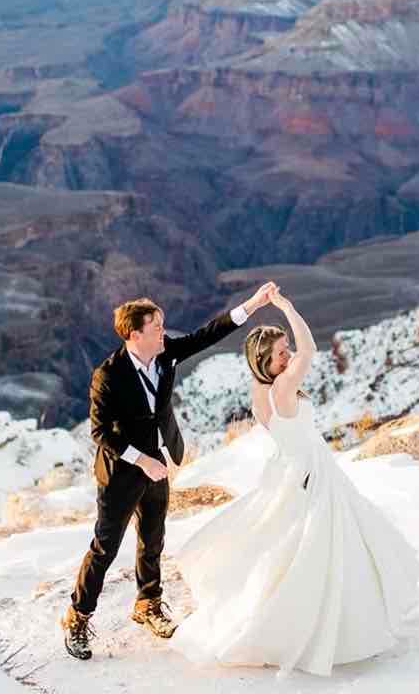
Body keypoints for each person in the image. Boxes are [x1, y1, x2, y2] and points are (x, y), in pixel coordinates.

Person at [171, 288, 419, 676]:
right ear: (265, 363)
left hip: (293, 469)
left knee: (295, 549)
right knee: (322, 549)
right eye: (280, 353)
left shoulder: (260, 392)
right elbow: (309, 351)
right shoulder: (283, 388)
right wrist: (287, 308)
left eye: (285, 349)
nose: (288, 354)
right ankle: (327, 627)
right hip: (311, 473)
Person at [62, 282, 279, 660]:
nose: (165, 332)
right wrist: (141, 459)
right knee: (105, 547)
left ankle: (148, 604)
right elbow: (99, 432)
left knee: (153, 538)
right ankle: (78, 616)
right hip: (122, 473)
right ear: (134, 334)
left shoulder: (165, 354)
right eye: (157, 327)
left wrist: (254, 305)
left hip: (159, 465)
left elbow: (208, 334)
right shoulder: (107, 375)